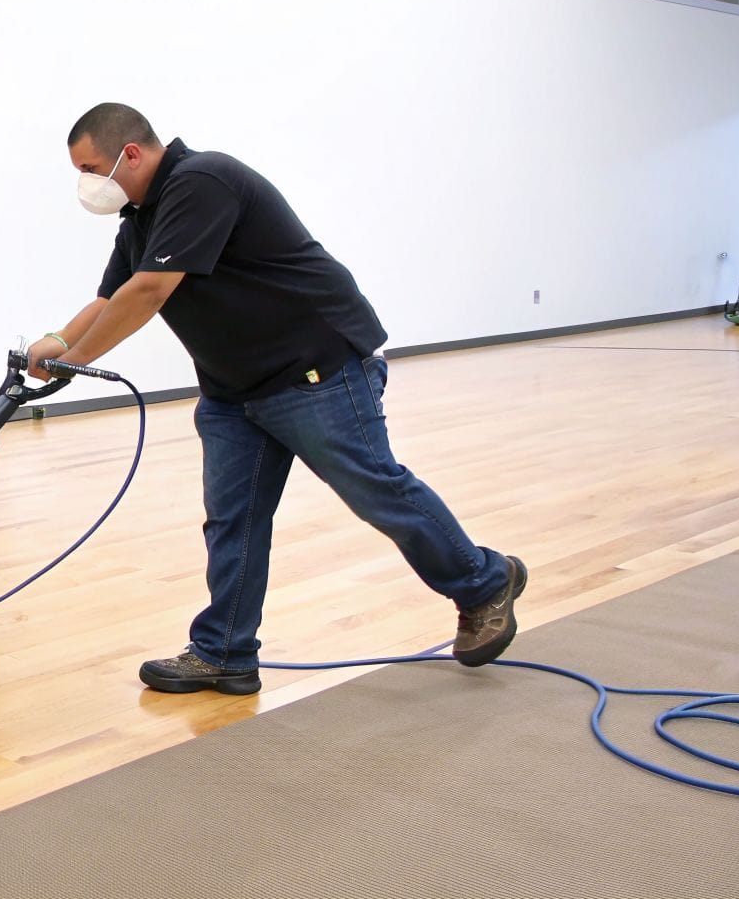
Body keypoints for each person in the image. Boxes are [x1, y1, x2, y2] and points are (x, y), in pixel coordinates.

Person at [27, 102, 524, 695]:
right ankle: (224, 652)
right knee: (232, 521)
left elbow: (151, 290)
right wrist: (59, 341)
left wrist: (77, 359)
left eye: (90, 168)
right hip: (234, 390)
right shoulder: (140, 219)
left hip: (316, 369)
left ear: (129, 154)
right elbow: (112, 297)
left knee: (376, 492)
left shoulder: (202, 181)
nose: (86, 184)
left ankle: (484, 583)